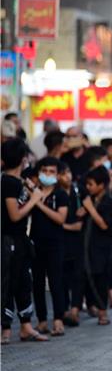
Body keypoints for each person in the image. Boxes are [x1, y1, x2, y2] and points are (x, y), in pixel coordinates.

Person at [1, 138, 48, 343]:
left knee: (23, 282)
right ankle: (6, 330)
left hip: (19, 240)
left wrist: (31, 188)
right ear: (22, 158)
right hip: (8, 240)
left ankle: (26, 327)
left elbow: (40, 197)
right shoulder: (8, 183)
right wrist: (34, 200)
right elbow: (15, 215)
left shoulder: (17, 181)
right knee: (8, 282)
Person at [30, 157, 69, 336]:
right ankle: (42, 321)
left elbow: (60, 218)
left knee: (56, 281)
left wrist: (38, 203)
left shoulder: (60, 194)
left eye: (52, 171)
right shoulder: (33, 192)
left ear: (58, 174)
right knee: (37, 283)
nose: (47, 174)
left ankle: (58, 320)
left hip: (55, 244)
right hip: (36, 243)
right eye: (44, 171)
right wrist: (34, 198)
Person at [82, 166, 112, 325]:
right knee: (86, 276)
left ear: (101, 185)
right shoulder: (89, 199)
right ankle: (90, 306)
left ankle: (103, 312)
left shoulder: (110, 202)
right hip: (87, 247)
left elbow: (105, 225)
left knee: (101, 279)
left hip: (103, 248)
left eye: (91, 184)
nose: (88, 187)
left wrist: (90, 209)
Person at [59, 164, 85, 327]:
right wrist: (67, 226)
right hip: (61, 240)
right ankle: (63, 310)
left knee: (78, 275)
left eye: (68, 172)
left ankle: (75, 309)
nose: (67, 176)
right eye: (63, 173)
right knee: (61, 276)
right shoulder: (55, 193)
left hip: (77, 239)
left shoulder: (78, 191)